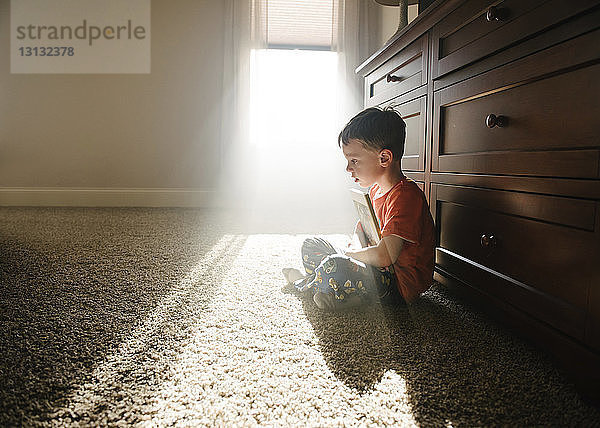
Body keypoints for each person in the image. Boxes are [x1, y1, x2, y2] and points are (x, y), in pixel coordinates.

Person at [283, 106, 435, 310]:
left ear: (384, 158)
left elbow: (385, 256)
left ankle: (307, 283)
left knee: (336, 263)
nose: (348, 168)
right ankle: (334, 290)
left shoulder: (406, 197)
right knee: (311, 245)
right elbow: (361, 230)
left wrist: (350, 257)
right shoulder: (375, 191)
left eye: (354, 160)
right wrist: (353, 247)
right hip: (373, 266)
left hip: (397, 284)